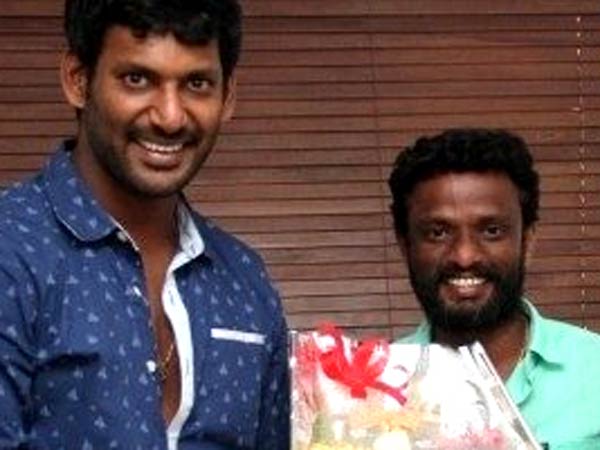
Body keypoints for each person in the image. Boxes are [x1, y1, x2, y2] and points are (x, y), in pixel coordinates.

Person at [0, 1, 289, 449]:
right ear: (78, 80)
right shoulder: (12, 249)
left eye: (196, 84)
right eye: (137, 79)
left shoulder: (246, 281)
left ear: (228, 96)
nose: (170, 117)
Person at [390, 128, 600, 449]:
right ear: (405, 245)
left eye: (491, 231)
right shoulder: (372, 389)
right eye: (437, 232)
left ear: (527, 241)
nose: (464, 256)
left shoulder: (593, 368)